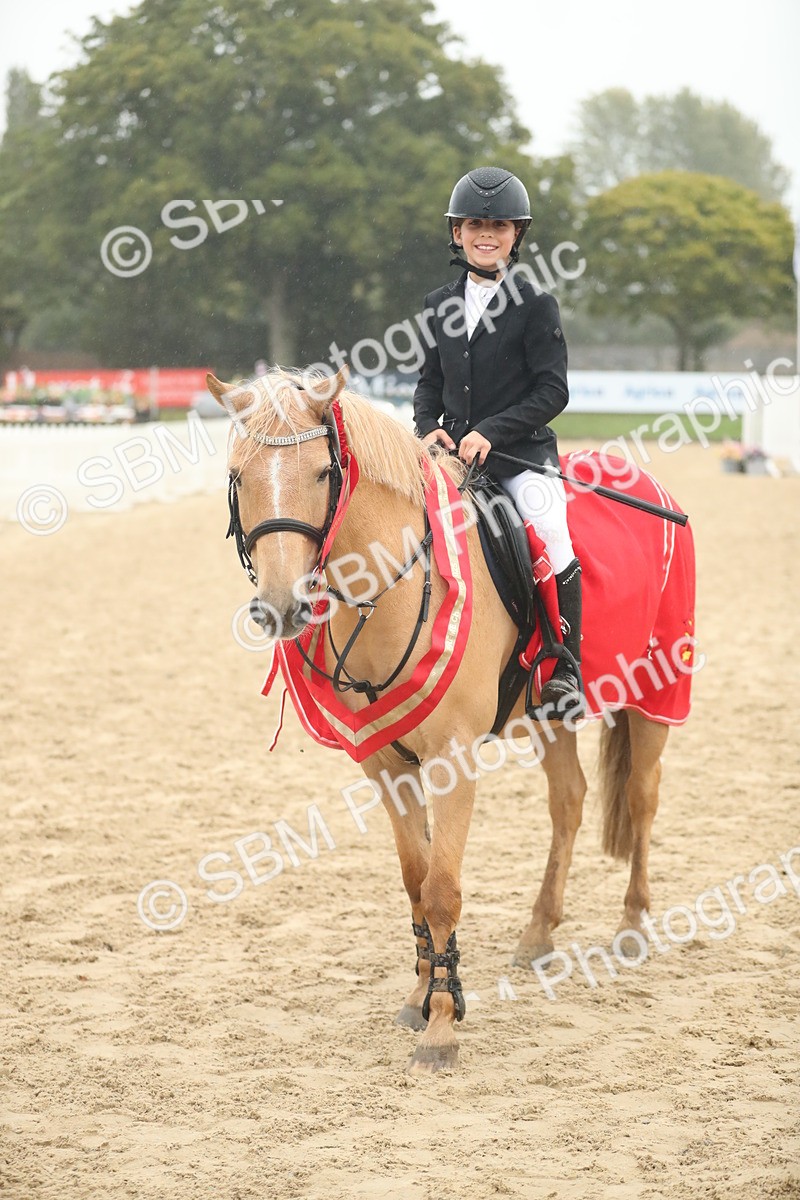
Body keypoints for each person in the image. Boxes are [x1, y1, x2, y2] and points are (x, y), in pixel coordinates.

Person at [413, 165, 584, 717]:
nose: (486, 234)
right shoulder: (439, 303)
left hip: (518, 456)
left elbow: (552, 390)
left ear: (516, 235)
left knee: (551, 530)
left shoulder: (536, 304)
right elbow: (429, 383)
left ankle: (565, 665)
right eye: (475, 225)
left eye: (499, 226)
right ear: (457, 232)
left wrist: (491, 430)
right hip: (452, 458)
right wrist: (427, 426)